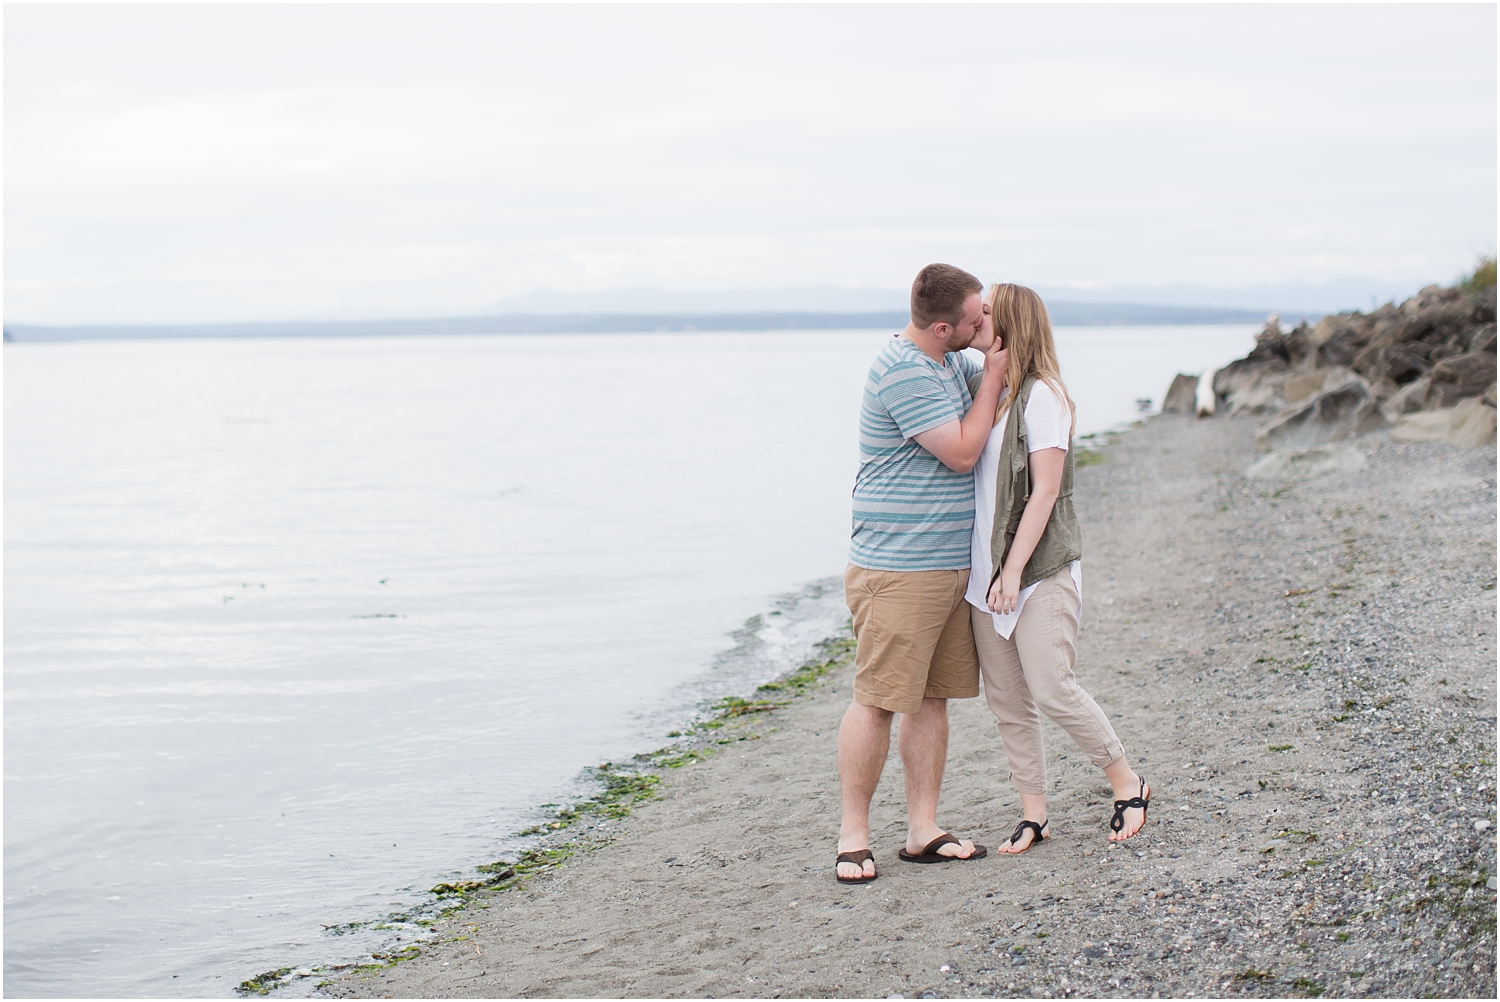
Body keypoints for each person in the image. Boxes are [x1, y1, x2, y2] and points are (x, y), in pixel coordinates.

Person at [835, 263, 1008, 884]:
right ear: (942, 326)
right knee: (879, 698)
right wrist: (991, 374)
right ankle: (853, 835)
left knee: (931, 698)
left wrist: (990, 353)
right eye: (975, 318)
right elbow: (963, 452)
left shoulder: (946, 362)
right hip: (896, 565)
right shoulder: (903, 369)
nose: (985, 324)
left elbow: (993, 390)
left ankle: (922, 830)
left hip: (946, 563)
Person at [964, 283, 1149, 856]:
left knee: (1053, 689)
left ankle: (1128, 783)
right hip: (983, 577)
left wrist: (1014, 571)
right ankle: (1034, 813)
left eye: (988, 311)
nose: (976, 317)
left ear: (1012, 323)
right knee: (1008, 703)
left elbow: (1044, 494)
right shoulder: (987, 392)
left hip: (1036, 572)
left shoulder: (1044, 397)